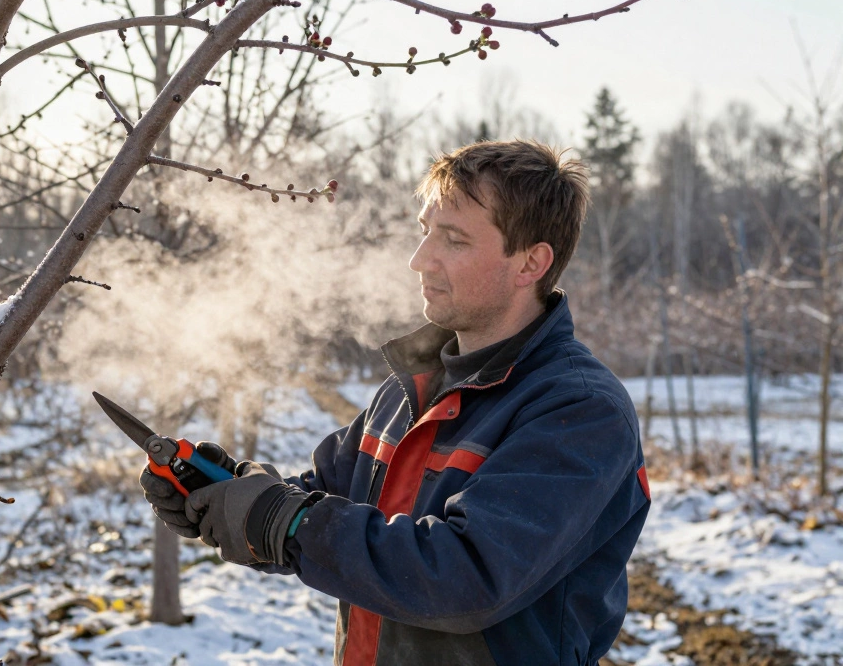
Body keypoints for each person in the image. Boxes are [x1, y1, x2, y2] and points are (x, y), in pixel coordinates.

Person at [140, 140, 652, 665]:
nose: (419, 259)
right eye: (425, 230)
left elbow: (467, 576)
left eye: (453, 240)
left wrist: (286, 522)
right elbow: (324, 505)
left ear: (530, 263)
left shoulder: (578, 410)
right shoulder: (412, 388)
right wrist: (232, 495)